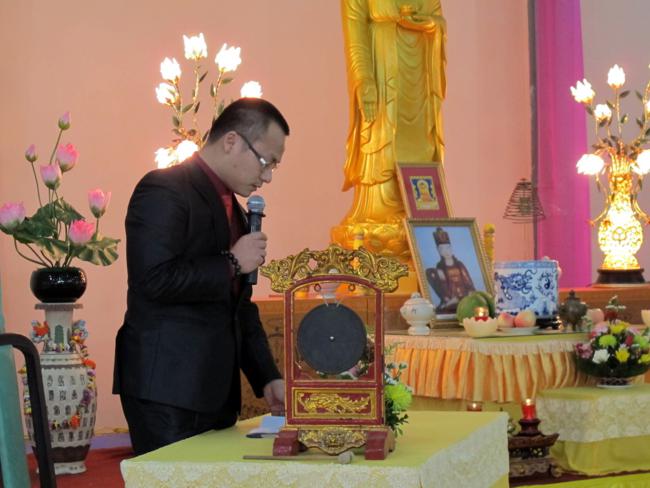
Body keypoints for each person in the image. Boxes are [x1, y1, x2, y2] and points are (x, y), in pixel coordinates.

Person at [113, 98, 289, 455]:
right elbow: (153, 279)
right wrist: (232, 262)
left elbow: (238, 306)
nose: (268, 176)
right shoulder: (164, 189)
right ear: (231, 141)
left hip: (215, 392)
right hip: (167, 390)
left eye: (274, 166)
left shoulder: (236, 209)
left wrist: (267, 376)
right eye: (266, 162)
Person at [339, 0, 446, 224]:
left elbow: (438, 19)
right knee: (382, 138)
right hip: (382, 72)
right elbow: (355, 32)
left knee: (422, 143)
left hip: (420, 77)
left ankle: (422, 208)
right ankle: (380, 208)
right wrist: (363, 79)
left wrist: (429, 23)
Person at [426, 227, 475, 314]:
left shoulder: (459, 265)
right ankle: (449, 303)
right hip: (450, 300)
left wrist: (468, 295)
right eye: (442, 249)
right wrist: (447, 299)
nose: (446, 252)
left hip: (464, 297)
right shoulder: (439, 267)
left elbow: (469, 284)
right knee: (430, 272)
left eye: (448, 248)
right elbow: (442, 288)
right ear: (438, 250)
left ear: (451, 248)